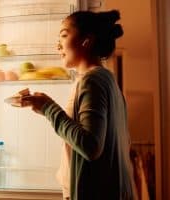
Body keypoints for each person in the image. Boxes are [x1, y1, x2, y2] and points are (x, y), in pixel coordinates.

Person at [22, 10, 138, 200]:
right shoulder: (107, 80)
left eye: (64, 35)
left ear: (86, 41)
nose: (57, 45)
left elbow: (90, 146)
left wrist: (48, 108)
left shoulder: (93, 80)